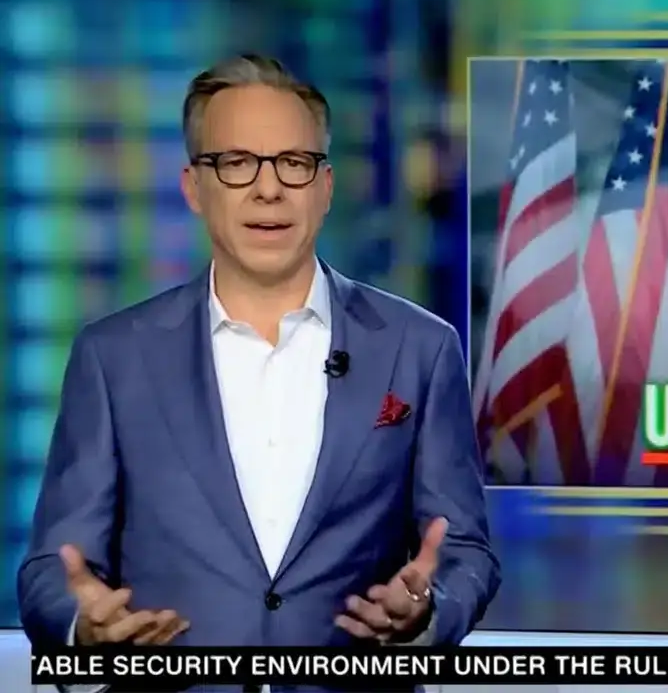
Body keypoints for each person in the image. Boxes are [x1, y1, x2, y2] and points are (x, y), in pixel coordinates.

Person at [17, 54, 500, 688]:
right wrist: (85, 626)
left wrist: (427, 613)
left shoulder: (421, 347)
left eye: (293, 164)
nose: (267, 188)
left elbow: (464, 551)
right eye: (236, 162)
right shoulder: (114, 357)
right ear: (194, 187)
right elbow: (55, 565)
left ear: (325, 187)